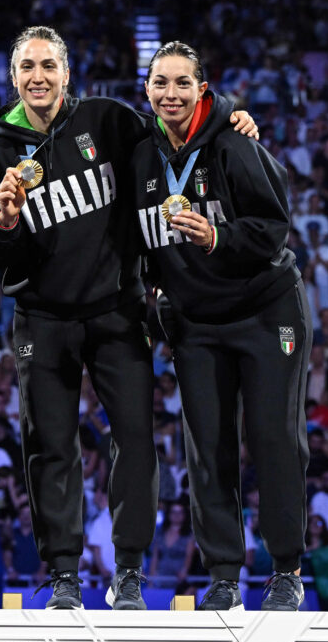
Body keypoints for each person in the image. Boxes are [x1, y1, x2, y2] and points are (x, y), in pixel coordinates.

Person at [0, 26, 257, 610]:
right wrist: (5, 220)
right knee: (50, 447)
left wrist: (230, 120)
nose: (38, 77)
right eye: (27, 66)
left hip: (117, 309)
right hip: (43, 318)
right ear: (14, 76)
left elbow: (175, 139)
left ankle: (127, 570)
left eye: (49, 65)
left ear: (67, 73)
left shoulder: (107, 119)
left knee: (134, 440)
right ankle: (63, 578)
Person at [132, 41, 312, 611]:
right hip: (197, 321)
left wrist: (219, 237)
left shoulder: (235, 143)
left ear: (202, 90)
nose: (171, 94)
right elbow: (130, 235)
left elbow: (274, 226)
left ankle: (285, 570)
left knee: (274, 439)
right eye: (161, 83)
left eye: (183, 84)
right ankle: (224, 576)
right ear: (147, 90)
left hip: (265, 311)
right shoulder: (140, 155)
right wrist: (154, 295)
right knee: (207, 449)